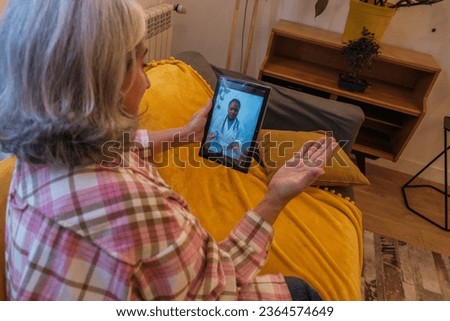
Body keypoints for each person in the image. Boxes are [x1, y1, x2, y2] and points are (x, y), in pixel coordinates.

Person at [0, 0, 337, 300]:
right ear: (105, 81)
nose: (148, 82)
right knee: (303, 292)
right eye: (142, 65)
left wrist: (186, 134)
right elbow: (215, 287)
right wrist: (274, 197)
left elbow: (120, 147)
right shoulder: (135, 208)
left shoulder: (40, 150)